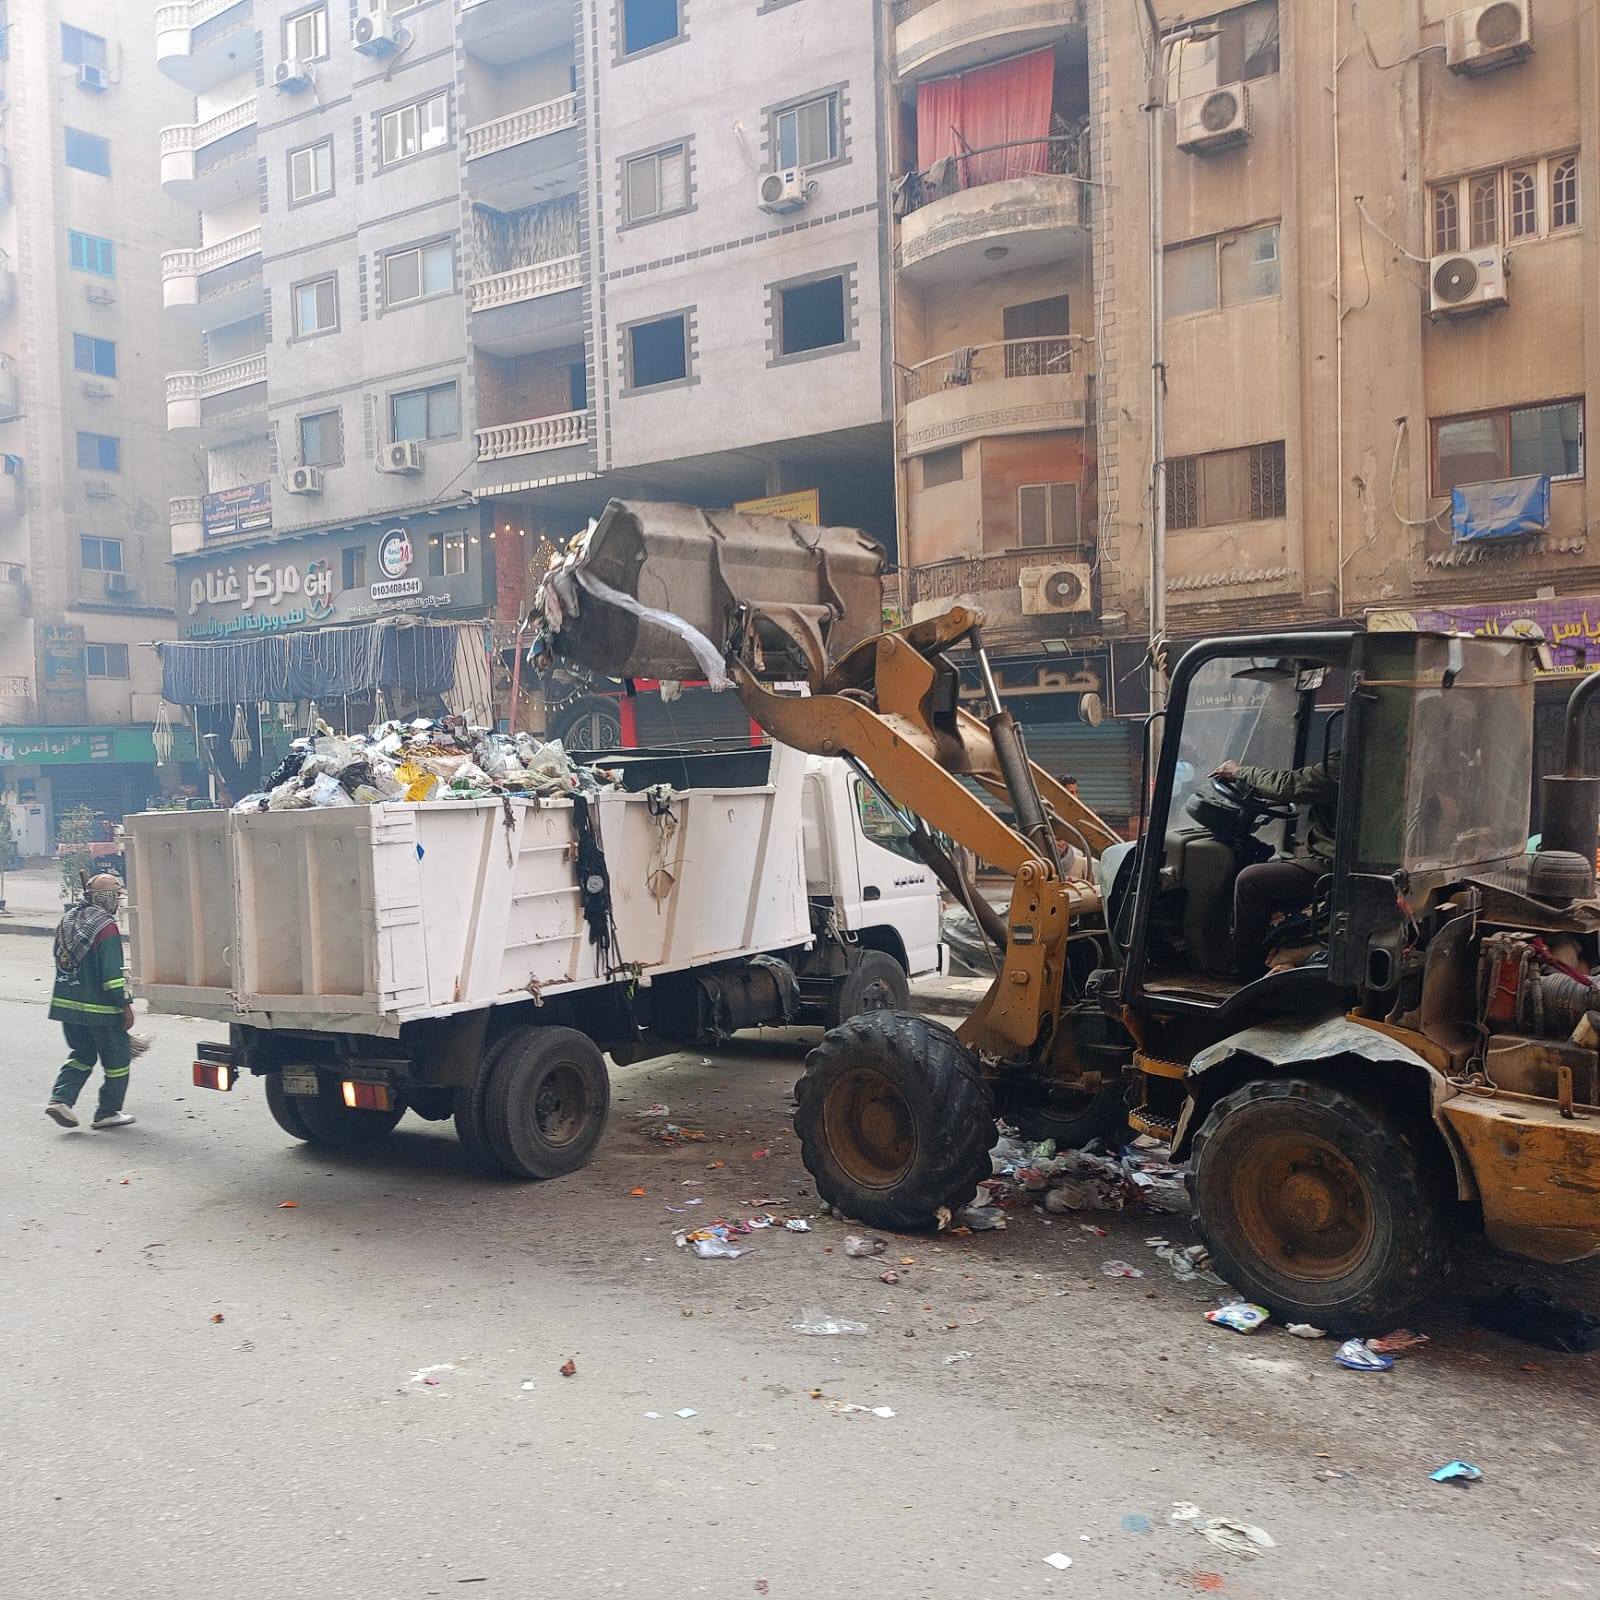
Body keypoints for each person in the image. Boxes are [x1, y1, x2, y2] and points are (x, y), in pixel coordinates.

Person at [1215, 748, 1342, 978]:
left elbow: (1290, 785)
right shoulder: (1377, 754)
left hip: (1334, 865)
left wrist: (1240, 773)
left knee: (1249, 881)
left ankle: (1246, 972)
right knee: (1274, 862)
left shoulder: (1348, 759)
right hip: (1341, 860)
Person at [44, 872, 136, 1130]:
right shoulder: (106, 927)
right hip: (100, 1011)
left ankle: (60, 1099)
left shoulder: (68, 920)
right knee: (118, 1060)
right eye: (115, 896)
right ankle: (108, 1111)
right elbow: (112, 976)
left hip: (67, 1008)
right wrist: (125, 1005)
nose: (117, 901)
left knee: (82, 1054)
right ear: (108, 898)